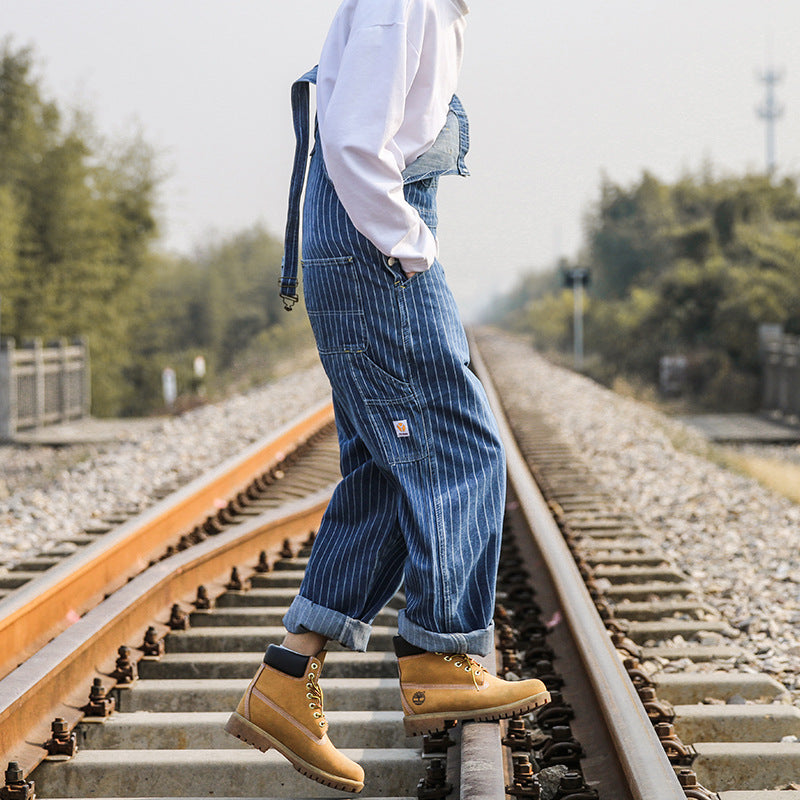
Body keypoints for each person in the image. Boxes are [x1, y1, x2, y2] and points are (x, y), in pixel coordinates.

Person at [225, 0, 549, 793]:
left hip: (360, 244)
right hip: (374, 248)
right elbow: (352, 140)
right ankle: (440, 652)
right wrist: (410, 249)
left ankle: (283, 681)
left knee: (385, 475)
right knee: (460, 451)